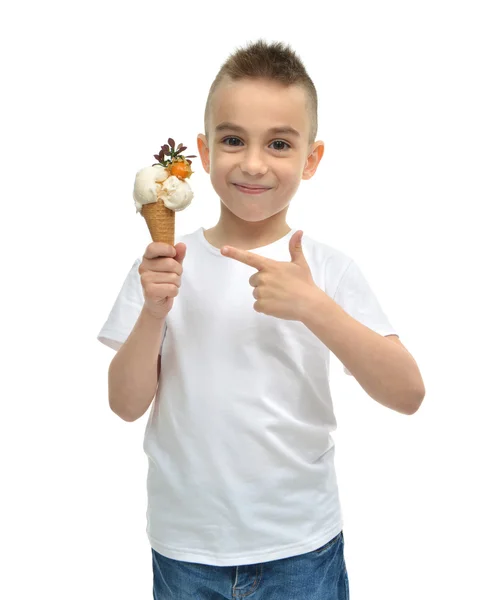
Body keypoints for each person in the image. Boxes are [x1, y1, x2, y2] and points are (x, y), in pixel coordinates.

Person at [97, 39, 425, 600]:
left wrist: (314, 307)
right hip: (186, 550)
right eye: (232, 140)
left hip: (301, 547)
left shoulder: (326, 268)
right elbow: (125, 405)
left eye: (278, 143)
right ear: (202, 151)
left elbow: (408, 392)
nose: (252, 163)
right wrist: (154, 312)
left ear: (311, 159)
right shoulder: (163, 266)